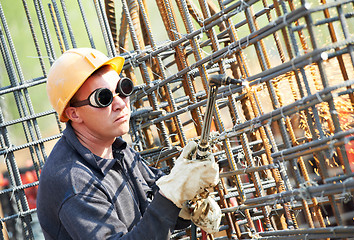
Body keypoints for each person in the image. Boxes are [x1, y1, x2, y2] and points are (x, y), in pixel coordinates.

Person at [37, 48, 221, 239]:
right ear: (74, 114)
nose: (120, 103)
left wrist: (187, 201)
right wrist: (171, 196)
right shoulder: (73, 182)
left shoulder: (114, 148)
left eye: (122, 89)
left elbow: (155, 206)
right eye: (103, 98)